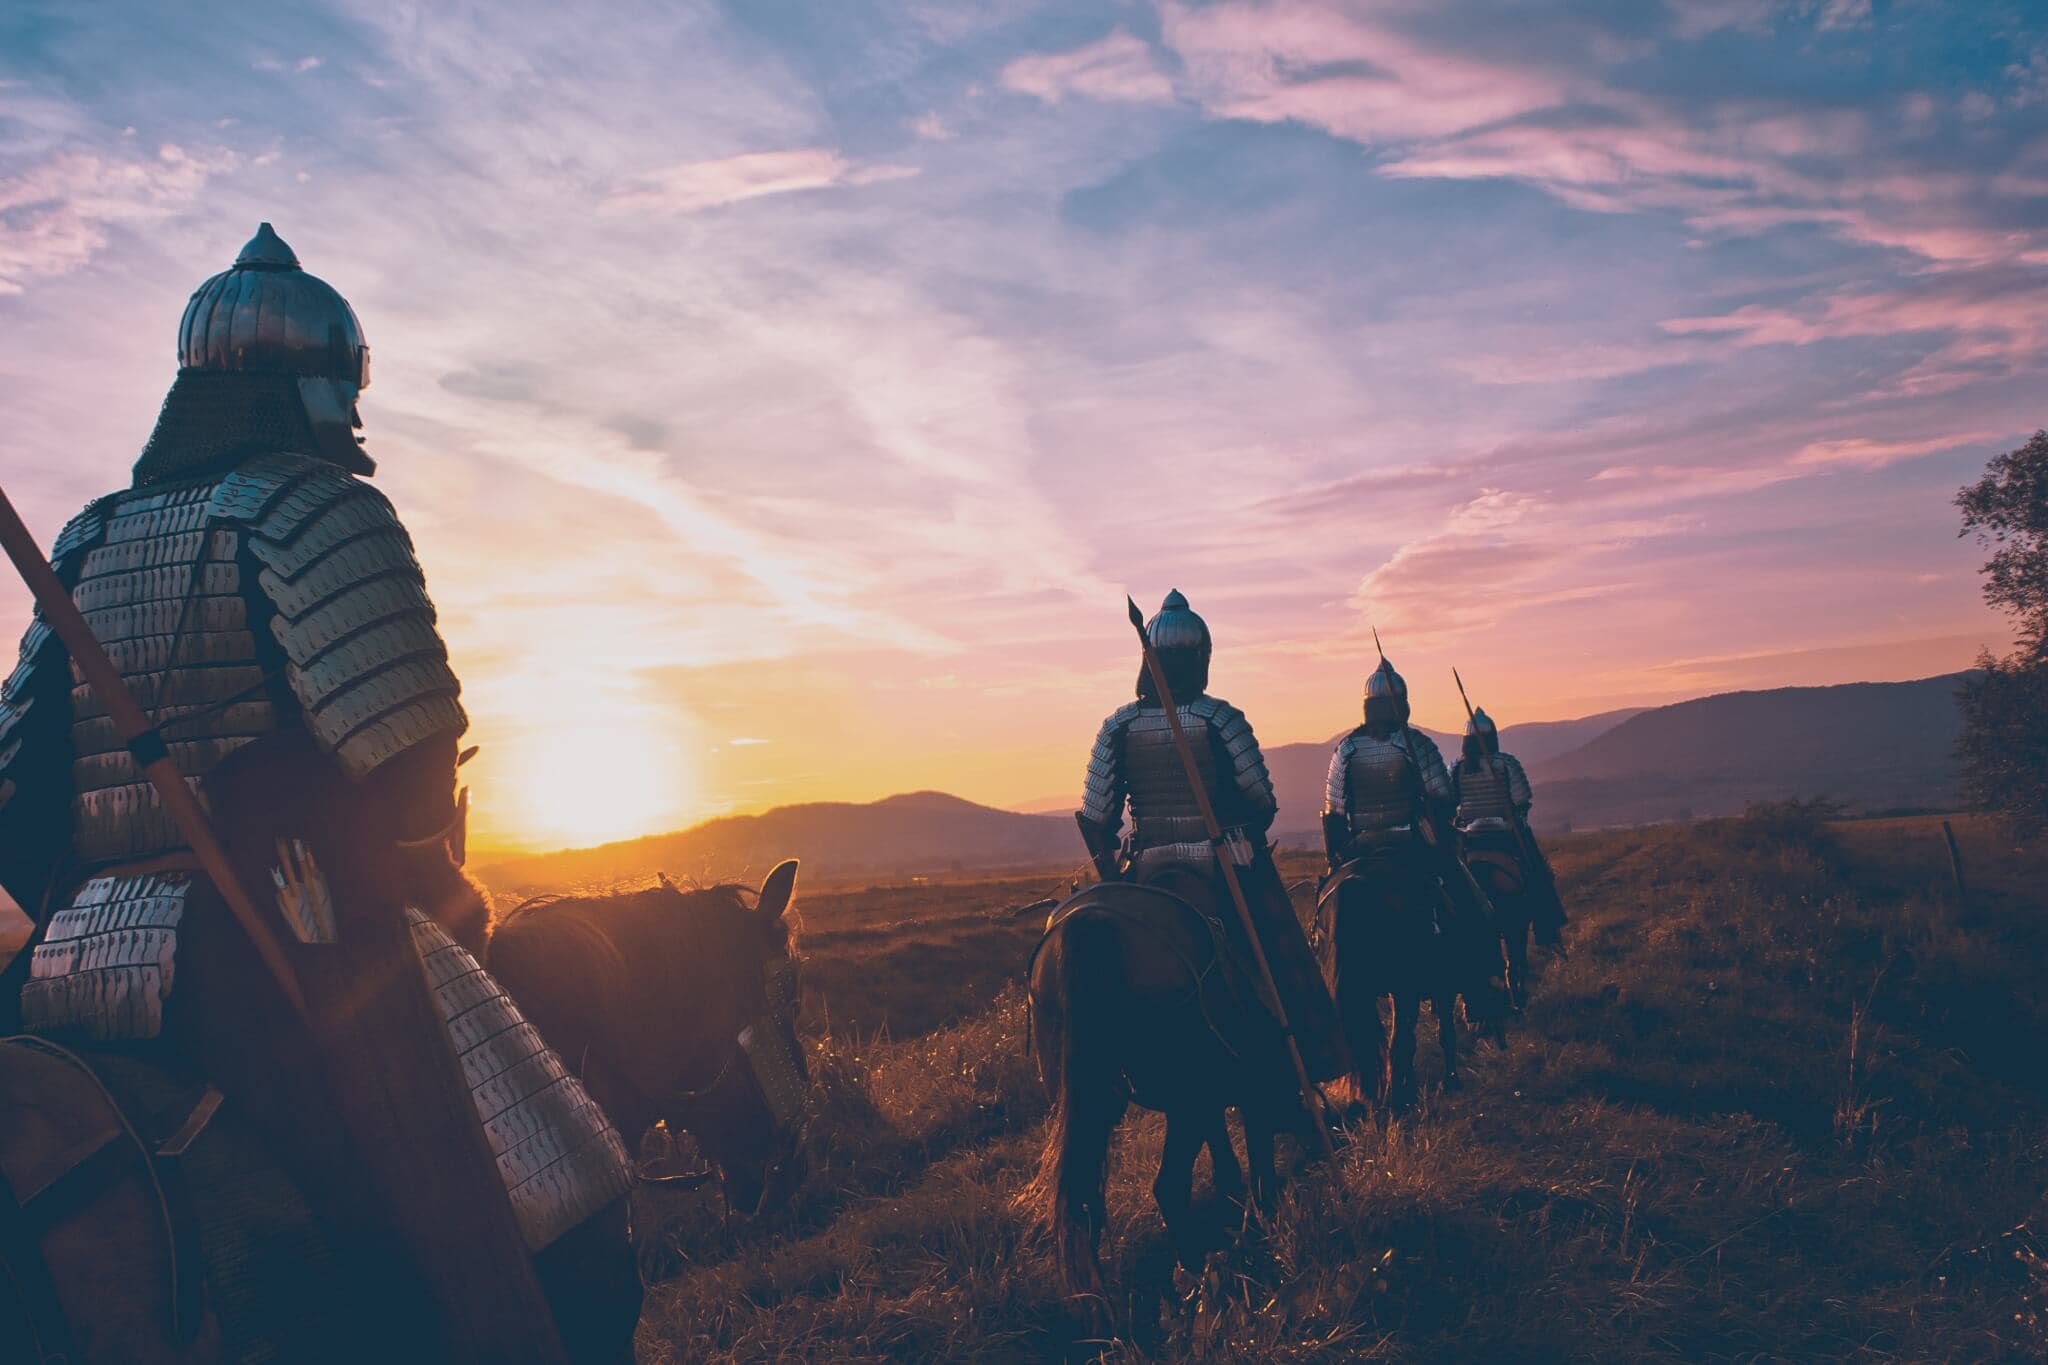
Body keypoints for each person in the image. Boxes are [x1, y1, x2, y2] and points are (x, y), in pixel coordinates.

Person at [0, 224, 629, 1356]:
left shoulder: (87, 538)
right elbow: (411, 781)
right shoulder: (316, 508)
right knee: (516, 1194)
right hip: (287, 933)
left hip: (67, 964)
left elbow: (17, 808)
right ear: (316, 383)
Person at [1077, 589, 1346, 1081]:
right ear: (1201, 659)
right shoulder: (1220, 718)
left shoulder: (1117, 726)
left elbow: (1097, 818)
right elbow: (1261, 803)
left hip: (1147, 867)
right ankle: (1302, 1062)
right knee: (1277, 952)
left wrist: (1110, 864)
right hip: (1219, 864)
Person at [1323, 656, 1507, 1013]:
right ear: (1401, 704)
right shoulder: (1417, 744)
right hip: (1411, 845)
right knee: (1472, 901)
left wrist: (1336, 857)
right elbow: (1444, 799)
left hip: (1358, 848)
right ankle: (1479, 988)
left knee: (1326, 910)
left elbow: (1333, 811)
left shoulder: (1346, 749)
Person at [1451, 707, 1568, 947]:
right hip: (1505, 832)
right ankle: (1547, 925)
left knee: (1450, 875)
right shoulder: (1506, 763)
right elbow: (1521, 799)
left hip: (1470, 836)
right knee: (1537, 871)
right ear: (1493, 737)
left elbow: (1451, 801)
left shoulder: (1457, 769)